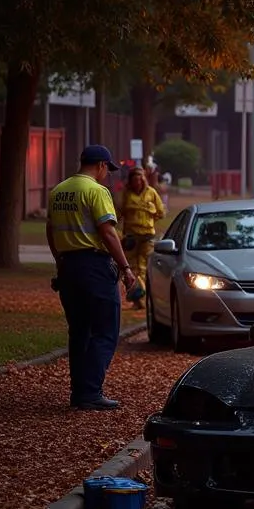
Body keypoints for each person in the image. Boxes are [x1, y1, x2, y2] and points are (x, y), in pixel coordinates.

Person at [46, 145, 137, 411]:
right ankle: (90, 392)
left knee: (79, 332)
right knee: (105, 331)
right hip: (94, 267)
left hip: (68, 268)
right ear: (100, 166)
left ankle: (79, 391)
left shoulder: (58, 190)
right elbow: (108, 233)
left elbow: (50, 231)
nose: (107, 175)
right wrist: (126, 267)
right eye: (107, 170)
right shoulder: (97, 191)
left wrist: (60, 260)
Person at [117, 167, 165, 307]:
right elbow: (120, 212)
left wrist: (149, 221)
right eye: (134, 180)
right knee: (130, 268)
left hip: (147, 235)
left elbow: (160, 212)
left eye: (140, 179)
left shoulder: (151, 193)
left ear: (143, 179)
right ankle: (136, 298)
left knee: (144, 267)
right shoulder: (126, 194)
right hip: (131, 237)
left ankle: (141, 296)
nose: (137, 182)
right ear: (130, 181)